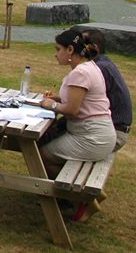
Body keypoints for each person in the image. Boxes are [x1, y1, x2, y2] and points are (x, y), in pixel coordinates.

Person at [38, 29, 116, 179]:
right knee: (45, 150)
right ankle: (73, 194)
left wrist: (51, 105)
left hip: (92, 138)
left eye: (58, 49)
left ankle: (74, 197)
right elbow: (81, 100)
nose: (56, 54)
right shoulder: (90, 66)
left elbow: (72, 110)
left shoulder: (80, 73)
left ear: (70, 49)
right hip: (100, 135)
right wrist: (58, 98)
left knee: (41, 154)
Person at [81, 29, 131, 151]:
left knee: (49, 147)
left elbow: (80, 106)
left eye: (83, 44)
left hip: (112, 133)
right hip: (111, 129)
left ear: (95, 47)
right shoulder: (104, 63)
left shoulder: (99, 68)